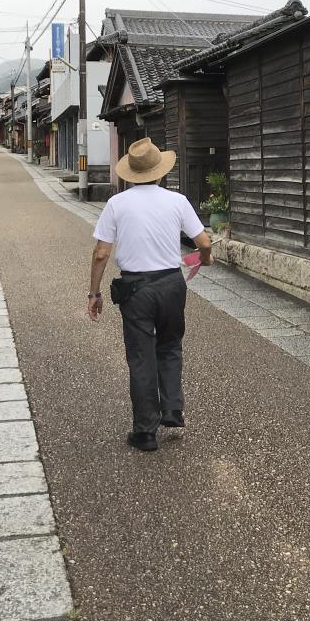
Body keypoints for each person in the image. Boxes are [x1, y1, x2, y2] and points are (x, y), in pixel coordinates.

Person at [88, 138, 214, 452]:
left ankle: (145, 432)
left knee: (142, 358)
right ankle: (172, 409)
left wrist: (94, 292)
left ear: (130, 172)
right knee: (170, 346)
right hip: (172, 285)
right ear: (159, 171)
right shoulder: (177, 200)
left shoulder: (117, 203)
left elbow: (102, 253)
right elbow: (205, 243)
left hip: (136, 289)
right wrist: (207, 259)